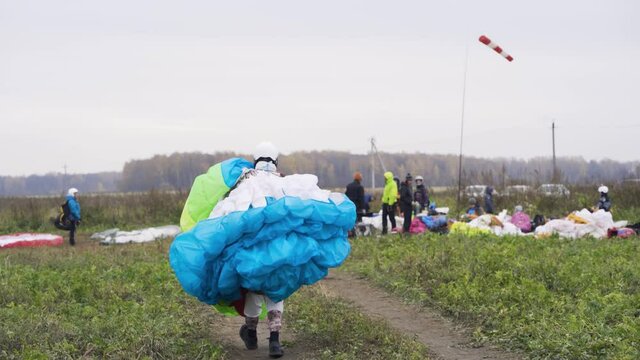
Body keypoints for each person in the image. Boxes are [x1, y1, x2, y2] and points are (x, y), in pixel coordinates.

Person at [238, 142, 285, 358]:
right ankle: (274, 342)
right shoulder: (282, 180)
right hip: (277, 244)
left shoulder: (246, 177)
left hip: (252, 243)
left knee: (253, 289)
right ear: (275, 160)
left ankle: (252, 334)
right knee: (275, 289)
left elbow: (235, 207)